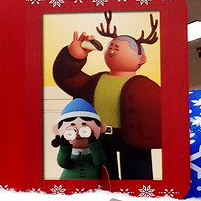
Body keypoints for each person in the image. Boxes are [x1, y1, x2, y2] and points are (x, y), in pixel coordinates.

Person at [52, 12, 160, 179]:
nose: (112, 49)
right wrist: (73, 57)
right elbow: (65, 77)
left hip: (136, 139)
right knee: (105, 176)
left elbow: (163, 110)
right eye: (111, 46)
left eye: (118, 48)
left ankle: (138, 194)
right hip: (99, 139)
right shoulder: (93, 82)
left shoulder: (146, 86)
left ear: (142, 59)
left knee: (138, 177)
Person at [51, 98, 110, 180]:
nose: (78, 133)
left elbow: (99, 161)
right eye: (72, 126)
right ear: (58, 130)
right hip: (69, 183)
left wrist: (92, 141)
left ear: (101, 128)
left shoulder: (94, 149)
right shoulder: (69, 152)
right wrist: (64, 145)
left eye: (84, 128)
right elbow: (63, 163)